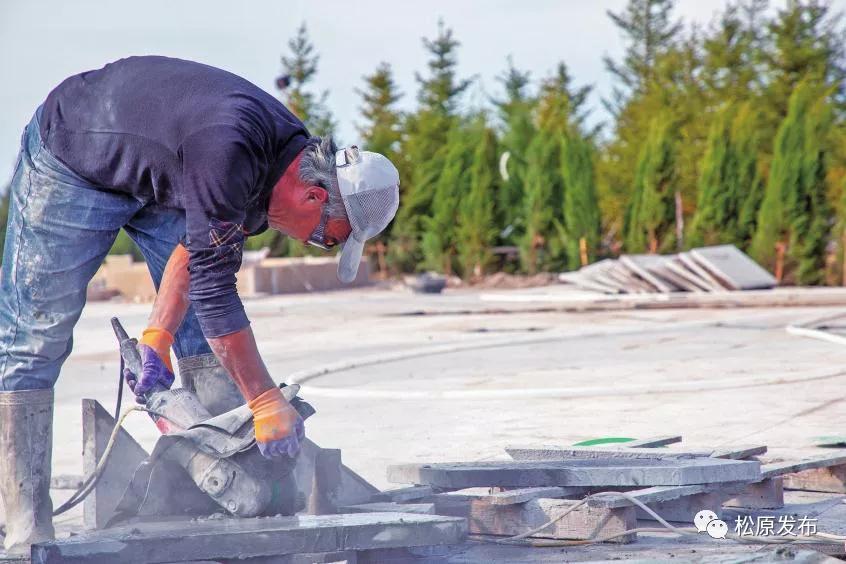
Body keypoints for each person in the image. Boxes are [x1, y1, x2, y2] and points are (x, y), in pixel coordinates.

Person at [0, 56, 400, 554]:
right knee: (35, 337)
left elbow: (196, 254)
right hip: (75, 156)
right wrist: (264, 400)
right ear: (315, 197)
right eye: (326, 239)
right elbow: (214, 287)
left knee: (196, 335)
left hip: (155, 171)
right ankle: (24, 521)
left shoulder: (282, 164)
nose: (313, 245)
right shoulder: (232, 148)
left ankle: (225, 485)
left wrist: (158, 336)